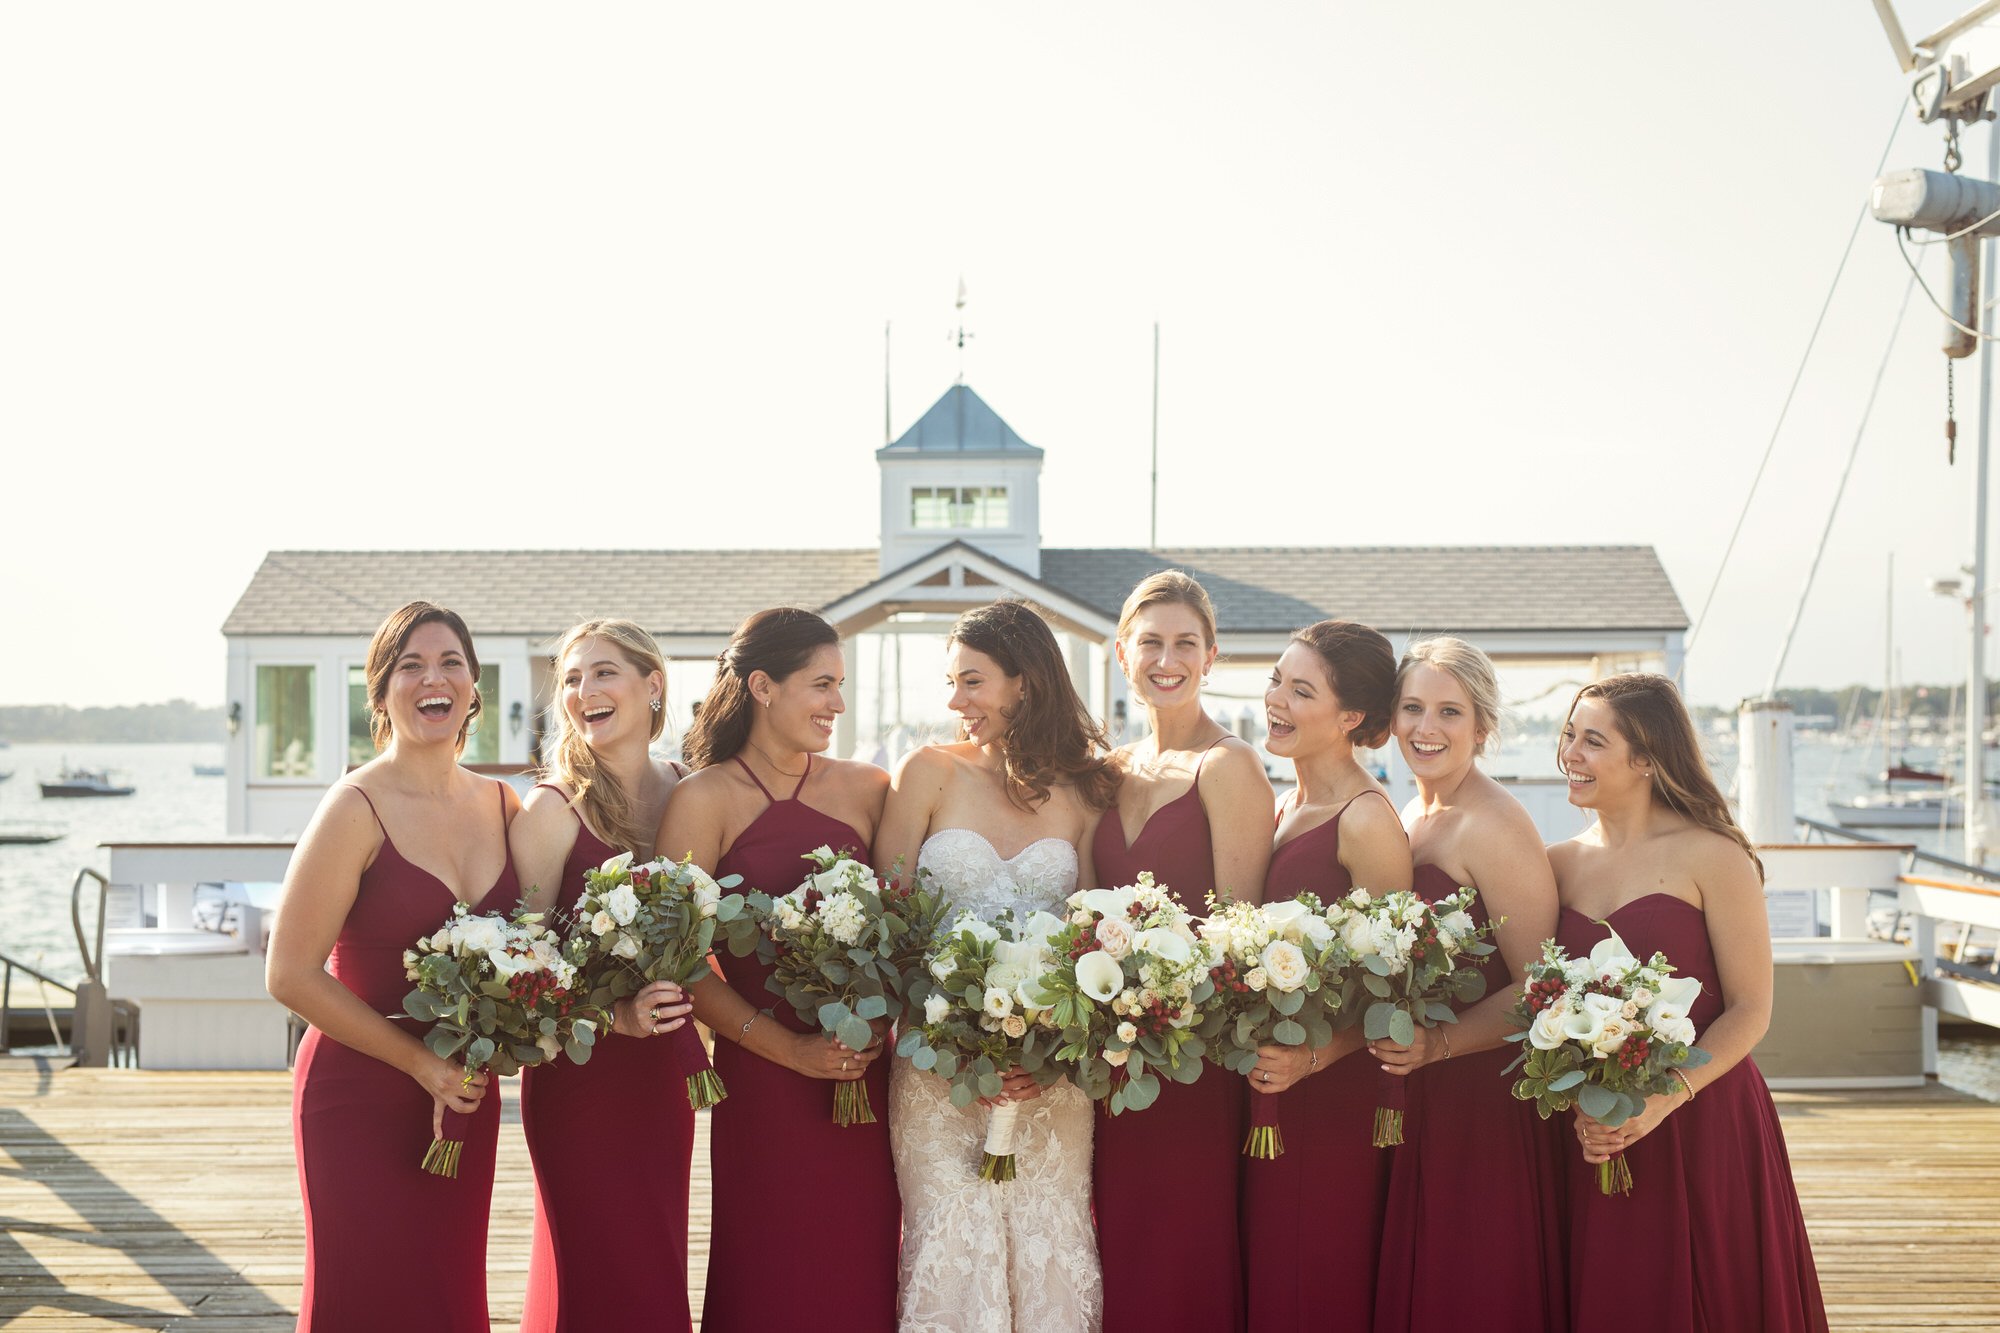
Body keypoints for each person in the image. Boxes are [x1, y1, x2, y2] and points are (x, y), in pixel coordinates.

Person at [268, 601, 520, 1332]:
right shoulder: (354, 805)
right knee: (363, 1296)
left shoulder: (507, 803)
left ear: (475, 688)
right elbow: (289, 972)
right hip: (359, 1095)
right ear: (379, 693)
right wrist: (420, 1063)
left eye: (449, 663)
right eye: (409, 665)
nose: (431, 679)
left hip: (464, 1097)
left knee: (446, 1296)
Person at [1553, 673, 1827, 1332]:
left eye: (1593, 741)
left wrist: (1664, 1096)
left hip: (1703, 1113)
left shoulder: (1714, 856)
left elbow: (1751, 1008)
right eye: (1568, 735)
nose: (1570, 754)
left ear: (1646, 758)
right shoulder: (1555, 863)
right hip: (1594, 1123)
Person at [875, 600, 1119, 1333]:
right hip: (935, 1070)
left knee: (1050, 1245)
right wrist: (953, 1047)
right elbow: (891, 927)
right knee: (950, 1247)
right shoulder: (927, 772)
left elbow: (1096, 940)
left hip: (1053, 1078)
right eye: (952, 682)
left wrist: (1048, 1056)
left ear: (1026, 680)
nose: (956, 702)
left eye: (972, 681)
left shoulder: (1087, 792)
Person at [656, 607, 898, 1333]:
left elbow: (904, 929)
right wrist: (790, 1048)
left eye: (842, 684)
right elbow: (680, 960)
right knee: (769, 1270)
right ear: (763, 685)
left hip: (865, 1074)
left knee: (861, 1266)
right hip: (762, 1079)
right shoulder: (703, 798)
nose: (838, 704)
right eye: (822, 684)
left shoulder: (870, 788)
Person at [1088, 572, 1271, 1333]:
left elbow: (1240, 930)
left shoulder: (1227, 766)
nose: (1168, 658)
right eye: (1151, 642)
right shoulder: (1109, 768)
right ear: (1122, 652)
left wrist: (1162, 1010)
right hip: (1105, 1054)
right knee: (1116, 1237)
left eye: (1185, 643)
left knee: (1181, 1241)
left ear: (1211, 656)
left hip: (1192, 1056)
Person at [1371, 637, 1564, 1333]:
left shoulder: (1494, 824)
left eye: (1448, 711)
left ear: (1482, 727)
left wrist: (1439, 1044)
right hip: (1414, 1086)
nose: (1426, 728)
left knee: (1473, 1284)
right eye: (1412, 707)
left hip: (1480, 1096)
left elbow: (1542, 985)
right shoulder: (1410, 815)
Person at [512, 619, 693, 1333]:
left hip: (661, 1081)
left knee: (654, 1261)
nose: (584, 690)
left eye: (603, 672)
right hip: (579, 1078)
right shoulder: (551, 811)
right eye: (571, 679)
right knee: (589, 1271)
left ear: (652, 685)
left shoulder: (689, 791)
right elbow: (522, 967)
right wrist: (612, 1016)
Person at [1241, 619, 1412, 1330]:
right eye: (1277, 678)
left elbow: (1400, 984)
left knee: (1315, 1272)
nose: (1275, 699)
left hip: (1329, 1092)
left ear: (1349, 718)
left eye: (1299, 688)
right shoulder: (1283, 804)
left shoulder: (1366, 820)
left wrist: (1316, 1055)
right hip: (1273, 1076)